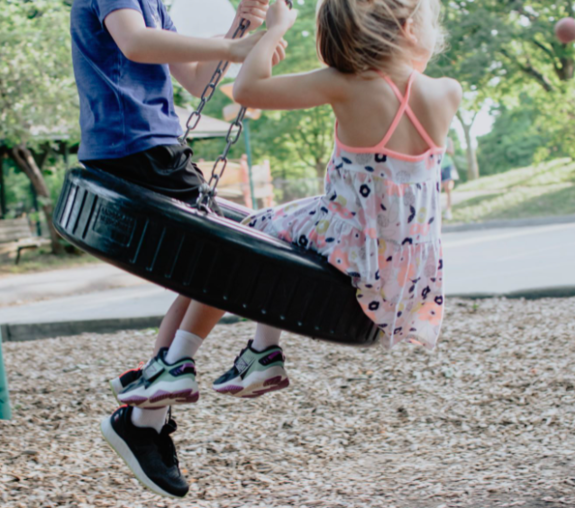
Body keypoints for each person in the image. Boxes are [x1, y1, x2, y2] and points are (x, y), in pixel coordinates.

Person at [113, 0, 462, 440]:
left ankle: (179, 359)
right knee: (284, 235)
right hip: (405, 269)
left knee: (246, 238)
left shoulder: (346, 85)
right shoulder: (447, 91)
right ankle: (261, 351)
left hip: (349, 240)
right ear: (409, 29)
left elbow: (247, 89)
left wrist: (276, 29)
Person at [70, 0, 287, 498]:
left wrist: (245, 26)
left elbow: (194, 81)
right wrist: (234, 45)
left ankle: (147, 416)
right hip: (135, 149)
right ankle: (151, 412)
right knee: (235, 255)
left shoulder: (155, 5)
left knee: (210, 272)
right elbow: (134, 43)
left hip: (155, 148)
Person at [440, 137, 459, 220]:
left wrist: (442, 147)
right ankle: (438, 211)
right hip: (437, 166)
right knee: (437, 191)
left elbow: (451, 152)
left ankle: (448, 211)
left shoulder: (448, 139)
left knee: (448, 189)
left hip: (447, 166)